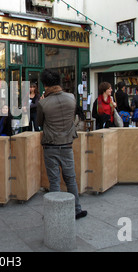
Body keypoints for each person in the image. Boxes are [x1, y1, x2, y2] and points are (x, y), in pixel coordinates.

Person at [36, 69, 87, 220]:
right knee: (70, 178)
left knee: (54, 181)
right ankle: (77, 209)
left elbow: (39, 123)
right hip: (67, 144)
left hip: (50, 145)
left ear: (45, 84)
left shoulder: (43, 103)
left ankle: (54, 213)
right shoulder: (71, 98)